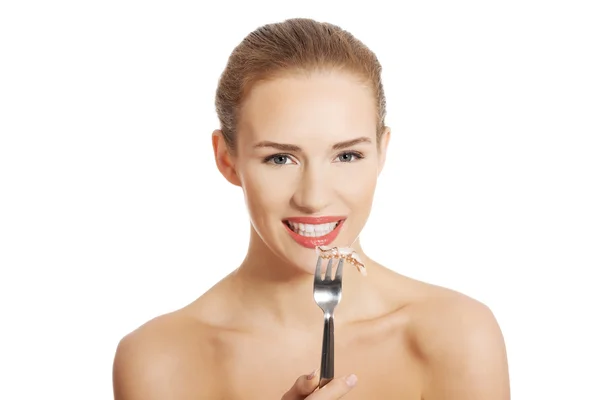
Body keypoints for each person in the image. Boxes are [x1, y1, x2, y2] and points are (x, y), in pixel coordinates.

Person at [112, 18, 510, 399]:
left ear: (382, 152)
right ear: (226, 159)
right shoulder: (158, 360)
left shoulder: (458, 336)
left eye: (348, 155)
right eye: (281, 159)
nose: (314, 197)